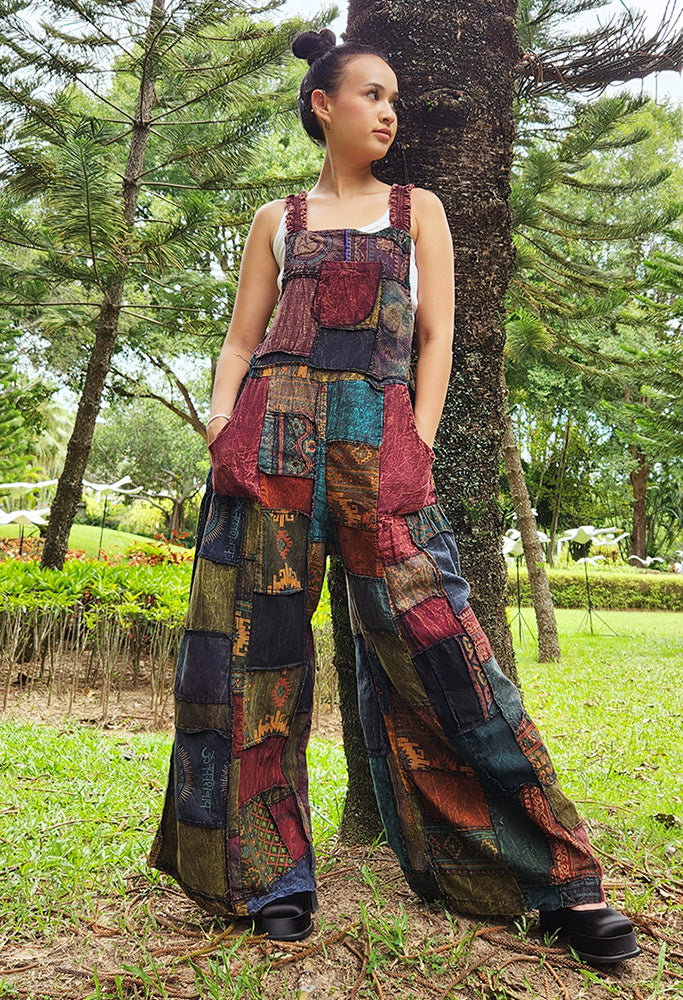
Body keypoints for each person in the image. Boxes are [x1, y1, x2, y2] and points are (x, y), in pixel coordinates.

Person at [149, 28, 639, 966]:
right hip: (271, 452)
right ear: (322, 104)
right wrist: (221, 426)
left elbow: (438, 339)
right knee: (253, 669)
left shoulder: (419, 211)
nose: (387, 112)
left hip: (381, 452)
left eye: (395, 100)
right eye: (371, 95)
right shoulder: (276, 219)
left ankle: (552, 884)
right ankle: (270, 882)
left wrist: (413, 437)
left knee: (446, 658)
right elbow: (240, 340)